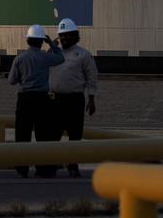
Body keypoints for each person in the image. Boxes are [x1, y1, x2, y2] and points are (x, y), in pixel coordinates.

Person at [8, 23, 64, 178]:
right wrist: (51, 43)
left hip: (25, 99)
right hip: (42, 99)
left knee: (22, 134)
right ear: (41, 41)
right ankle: (43, 168)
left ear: (28, 40)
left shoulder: (20, 59)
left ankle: (22, 168)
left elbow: (11, 80)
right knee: (43, 134)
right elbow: (60, 58)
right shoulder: (45, 57)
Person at [49, 18, 98, 178]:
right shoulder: (52, 54)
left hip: (75, 100)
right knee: (53, 135)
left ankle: (72, 166)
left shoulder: (83, 54)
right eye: (62, 36)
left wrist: (91, 98)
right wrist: (51, 47)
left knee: (75, 135)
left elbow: (92, 76)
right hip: (55, 100)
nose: (65, 38)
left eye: (68, 35)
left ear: (75, 36)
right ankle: (52, 165)